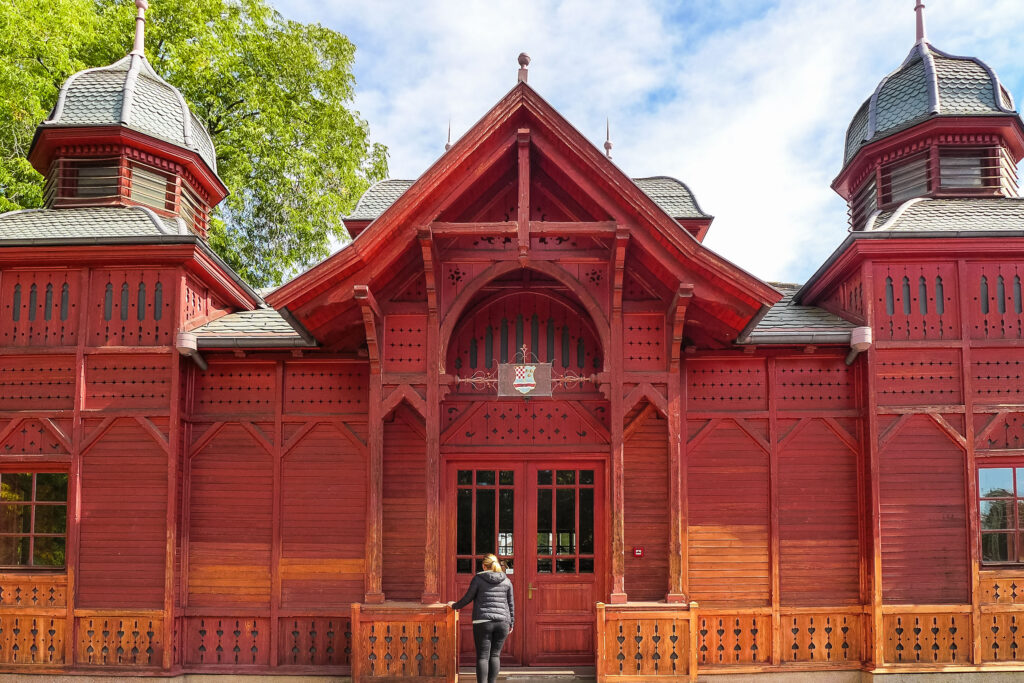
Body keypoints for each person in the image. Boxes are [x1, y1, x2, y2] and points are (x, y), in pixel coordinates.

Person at [451, 553, 515, 683]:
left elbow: (467, 598)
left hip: (483, 621)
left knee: (483, 657)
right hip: (502, 622)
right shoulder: (507, 580)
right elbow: (510, 603)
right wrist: (511, 622)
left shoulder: (478, 579)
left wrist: (453, 606)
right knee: (495, 655)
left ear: (484, 566)